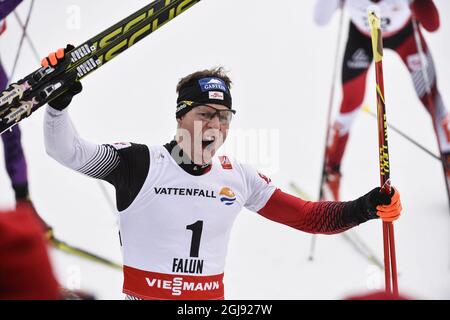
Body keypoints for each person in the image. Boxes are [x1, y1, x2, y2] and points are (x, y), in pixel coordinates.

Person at [41, 46, 402, 299]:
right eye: (204, 114)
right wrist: (57, 107)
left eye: (223, 117)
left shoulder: (238, 177)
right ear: (180, 116)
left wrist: (366, 207)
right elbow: (67, 151)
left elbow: (309, 217)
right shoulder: (140, 163)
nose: (214, 126)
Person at [314, 0, 448, 201]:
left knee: (430, 96)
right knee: (350, 103)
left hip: (405, 35)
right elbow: (320, 19)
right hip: (363, 38)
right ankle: (331, 172)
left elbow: (433, 23)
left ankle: (448, 156)